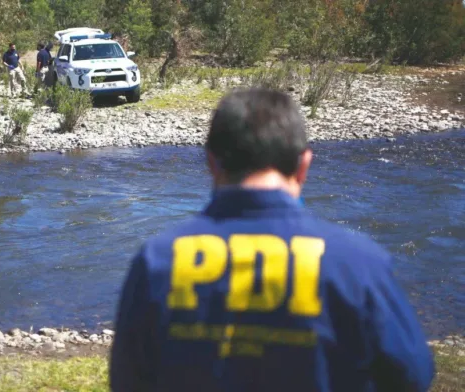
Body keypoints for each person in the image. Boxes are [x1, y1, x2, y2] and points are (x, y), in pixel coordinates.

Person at [109, 88, 435, 392]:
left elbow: (127, 380)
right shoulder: (360, 264)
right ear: (304, 165)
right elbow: (413, 375)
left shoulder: (156, 261)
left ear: (210, 162)